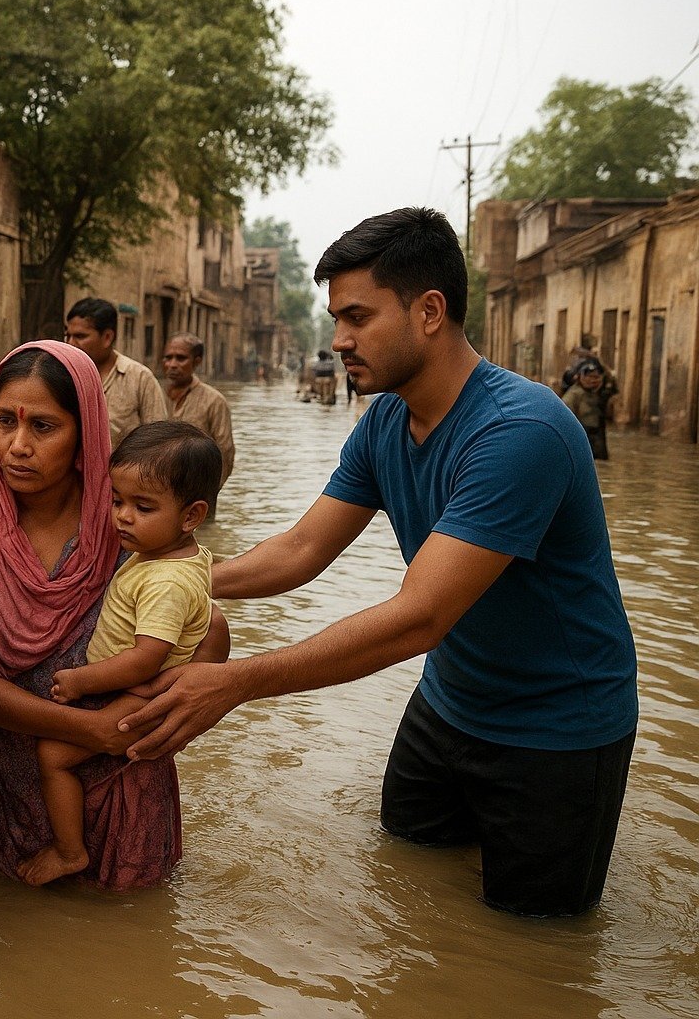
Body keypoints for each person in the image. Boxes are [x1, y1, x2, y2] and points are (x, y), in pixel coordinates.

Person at [122, 208, 638, 918]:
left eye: (357, 317)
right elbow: (303, 549)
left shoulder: (522, 431)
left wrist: (234, 683)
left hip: (557, 730)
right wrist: (157, 580)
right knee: (408, 871)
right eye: (336, 319)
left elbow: (418, 617)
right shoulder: (387, 421)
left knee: (533, 942)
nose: (338, 340)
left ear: (430, 311)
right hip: (450, 703)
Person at [0, 341, 229, 890]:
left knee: (131, 949)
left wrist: (140, 718)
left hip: (129, 775)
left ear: (86, 431)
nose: (18, 446)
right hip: (13, 786)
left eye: (44, 427)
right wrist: (87, 728)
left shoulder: (127, 515)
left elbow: (206, 631)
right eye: (5, 421)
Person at [21, 421, 221, 886]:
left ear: (191, 516)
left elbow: (146, 658)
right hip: (134, 692)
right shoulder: (170, 556)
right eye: (117, 501)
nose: (123, 517)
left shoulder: (166, 580)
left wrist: (81, 681)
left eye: (142, 507)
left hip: (134, 699)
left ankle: (69, 852)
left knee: (52, 756)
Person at [64, 297, 169, 447]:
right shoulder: (62, 375)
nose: (70, 343)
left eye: (80, 336)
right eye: (68, 335)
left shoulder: (139, 378)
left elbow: (158, 441)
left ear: (107, 337)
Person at [161, 335, 235, 514]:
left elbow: (225, 451)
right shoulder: (155, 393)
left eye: (180, 358)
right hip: (157, 494)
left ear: (197, 361)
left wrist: (209, 492)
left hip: (198, 496)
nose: (172, 364)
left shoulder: (214, 400)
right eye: (168, 357)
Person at [562, 360, 613, 460]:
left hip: (597, 440)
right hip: (583, 439)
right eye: (589, 377)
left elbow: (611, 378)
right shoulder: (573, 395)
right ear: (580, 377)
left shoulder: (599, 393)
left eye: (596, 377)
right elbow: (564, 418)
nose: (593, 380)